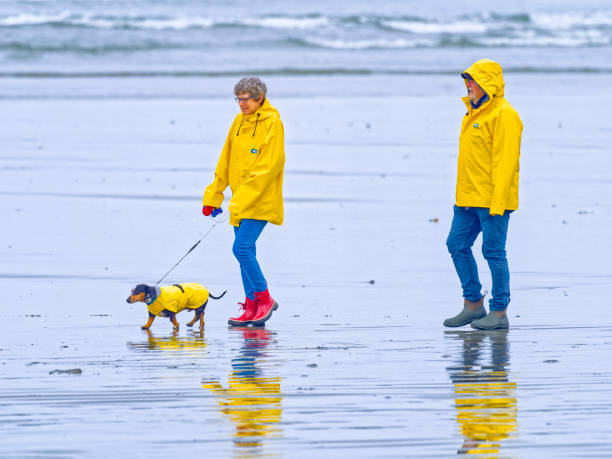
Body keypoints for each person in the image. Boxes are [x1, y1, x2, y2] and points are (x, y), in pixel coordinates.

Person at [444, 59, 523, 330]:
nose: (468, 86)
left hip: (492, 201)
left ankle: (499, 312)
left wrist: (498, 202)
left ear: (487, 84)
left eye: (473, 80)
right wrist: (460, 198)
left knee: (493, 252)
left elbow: (506, 161)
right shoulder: (472, 113)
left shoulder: (504, 114)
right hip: (467, 199)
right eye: (466, 81)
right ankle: (474, 304)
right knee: (456, 244)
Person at [202, 77, 285, 326]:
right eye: (238, 99)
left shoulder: (273, 123)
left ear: (259, 98)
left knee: (241, 248)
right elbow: (225, 160)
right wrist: (214, 196)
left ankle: (264, 298)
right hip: (240, 201)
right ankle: (251, 306)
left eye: (245, 99)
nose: (241, 104)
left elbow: (269, 167)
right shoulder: (238, 122)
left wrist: (239, 201)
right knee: (245, 253)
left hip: (261, 200)